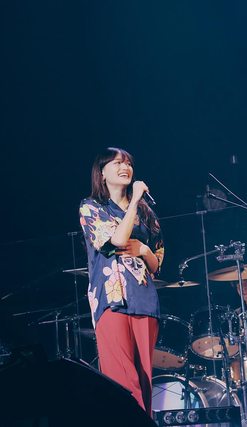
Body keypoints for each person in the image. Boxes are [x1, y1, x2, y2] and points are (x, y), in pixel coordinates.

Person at [79, 147, 164, 417]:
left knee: (144, 381)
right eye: (117, 163)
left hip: (144, 300)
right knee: (122, 381)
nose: (125, 167)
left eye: (128, 163)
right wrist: (135, 198)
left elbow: (156, 264)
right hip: (111, 300)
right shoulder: (91, 207)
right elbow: (115, 241)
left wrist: (145, 250)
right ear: (102, 173)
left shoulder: (147, 214)